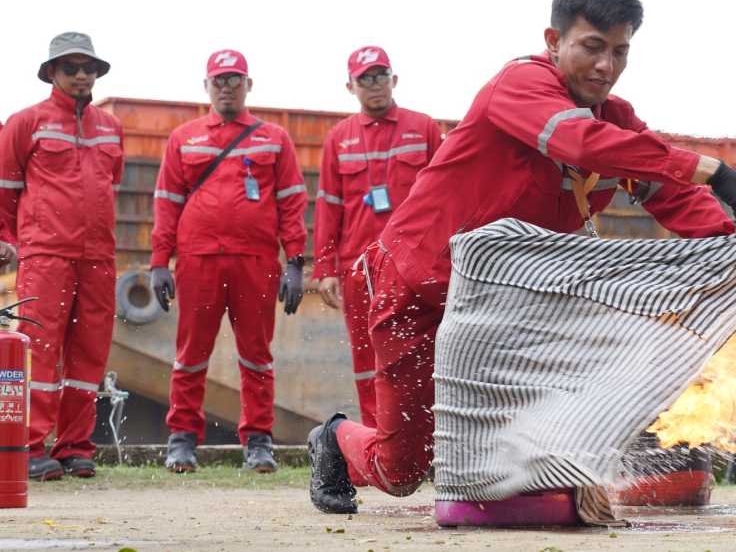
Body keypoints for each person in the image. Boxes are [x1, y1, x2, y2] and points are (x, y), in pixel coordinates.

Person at [307, 0, 736, 514]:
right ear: (554, 42)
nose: (607, 67)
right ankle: (336, 440)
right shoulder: (521, 85)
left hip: (501, 308)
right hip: (419, 289)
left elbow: (665, 192)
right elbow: (579, 142)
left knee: (526, 439)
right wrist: (712, 170)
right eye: (592, 48)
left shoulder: (615, 121)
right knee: (402, 469)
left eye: (621, 52)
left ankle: (577, 481)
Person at [150, 50, 308, 474]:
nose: (226, 86)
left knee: (257, 355)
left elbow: (292, 202)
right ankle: (182, 439)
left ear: (248, 85)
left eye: (234, 79)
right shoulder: (184, 138)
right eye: (218, 80)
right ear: (206, 86)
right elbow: (166, 202)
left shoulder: (274, 138)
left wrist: (295, 262)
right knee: (190, 353)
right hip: (198, 260)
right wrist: (159, 261)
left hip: (255, 261)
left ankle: (258, 441)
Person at [0, 32, 124, 481]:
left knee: (90, 353)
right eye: (70, 68)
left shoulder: (111, 128)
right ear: (51, 73)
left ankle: (75, 446)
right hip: (46, 254)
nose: (80, 75)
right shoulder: (25, 123)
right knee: (40, 349)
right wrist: (8, 239)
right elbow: (5, 191)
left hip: (98, 256)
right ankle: (30, 446)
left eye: (88, 68)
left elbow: (111, 181)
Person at [313, 46, 443, 427]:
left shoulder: (424, 129)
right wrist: (325, 267)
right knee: (366, 355)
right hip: (359, 266)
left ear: (394, 80)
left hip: (416, 264)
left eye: (381, 75)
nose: (374, 85)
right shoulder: (339, 139)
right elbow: (328, 207)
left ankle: (428, 441)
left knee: (424, 349)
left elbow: (444, 196)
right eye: (365, 78)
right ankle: (378, 439)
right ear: (350, 86)